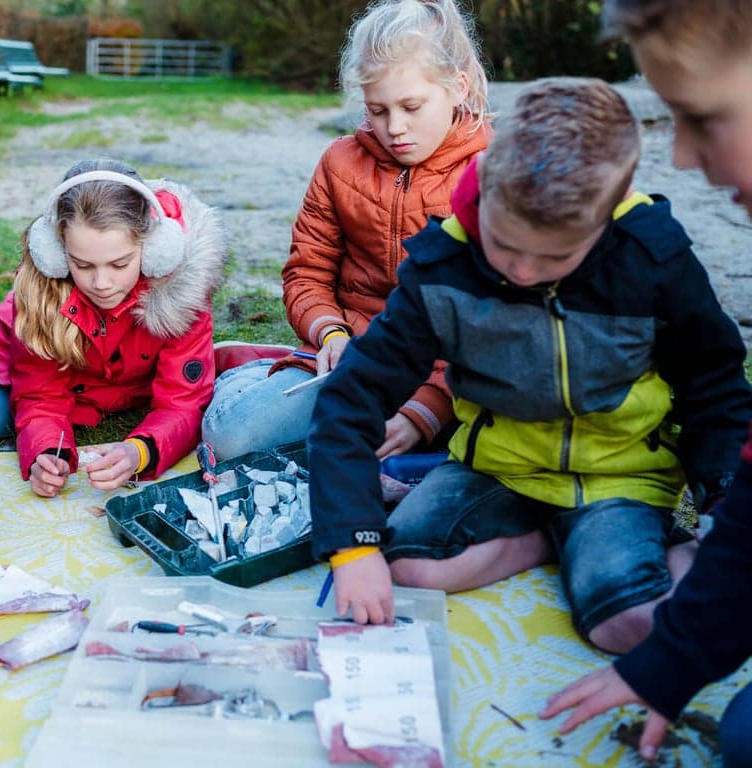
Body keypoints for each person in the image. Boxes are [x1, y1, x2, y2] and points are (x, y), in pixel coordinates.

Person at [307, 77, 752, 657]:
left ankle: (619, 541)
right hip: (498, 467)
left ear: (607, 218)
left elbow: (715, 390)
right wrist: (353, 547)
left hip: (615, 478)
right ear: (485, 190)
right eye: (504, 243)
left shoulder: (652, 256)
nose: (519, 270)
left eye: (553, 256)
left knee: (626, 627)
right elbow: (352, 398)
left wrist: (723, 505)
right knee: (407, 569)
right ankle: (549, 540)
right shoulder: (443, 264)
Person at [541, 3, 752, 764]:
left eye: (702, 118)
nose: (688, 159)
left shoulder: (657, 256)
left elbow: (715, 380)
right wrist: (668, 667)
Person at [201, 0, 490, 461]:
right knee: (231, 440)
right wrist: (330, 333)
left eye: (411, 106)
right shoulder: (339, 163)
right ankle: (251, 372)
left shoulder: (492, 173)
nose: (395, 128)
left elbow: (493, 318)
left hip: (456, 377)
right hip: (348, 359)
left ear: (458, 87)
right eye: (377, 110)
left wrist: (425, 412)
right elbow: (306, 274)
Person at [0, 158, 226, 498]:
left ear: (156, 249)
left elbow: (183, 403)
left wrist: (140, 451)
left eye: (120, 263)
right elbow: (41, 395)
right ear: (54, 253)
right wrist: (47, 452)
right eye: (81, 265)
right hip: (7, 366)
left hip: (109, 389)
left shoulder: (182, 292)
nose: (101, 283)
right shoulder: (43, 294)